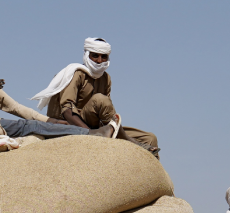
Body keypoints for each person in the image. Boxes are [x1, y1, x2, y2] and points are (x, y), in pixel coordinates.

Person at [0, 24, 119, 139]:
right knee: (27, 128)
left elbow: (15, 107)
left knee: (32, 122)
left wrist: (52, 120)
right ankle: (89, 135)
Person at [30, 37, 160, 156]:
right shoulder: (76, 74)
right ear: (87, 55)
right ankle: (129, 141)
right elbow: (67, 111)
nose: (99, 60)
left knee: (149, 138)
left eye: (104, 57)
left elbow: (106, 114)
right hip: (68, 126)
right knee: (100, 99)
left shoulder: (106, 78)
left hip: (95, 126)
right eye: (95, 56)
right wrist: (91, 134)